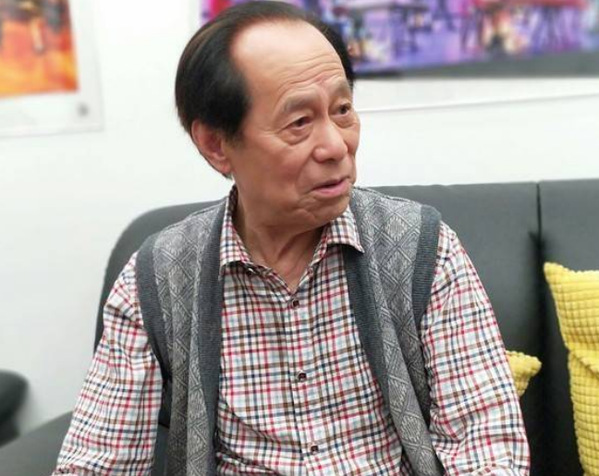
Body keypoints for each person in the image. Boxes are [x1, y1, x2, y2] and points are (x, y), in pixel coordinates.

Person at [52, 2, 529, 475]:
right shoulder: (157, 280)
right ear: (216, 145)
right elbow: (95, 464)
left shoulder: (422, 248)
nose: (336, 145)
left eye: (342, 110)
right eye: (299, 122)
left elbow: (488, 450)